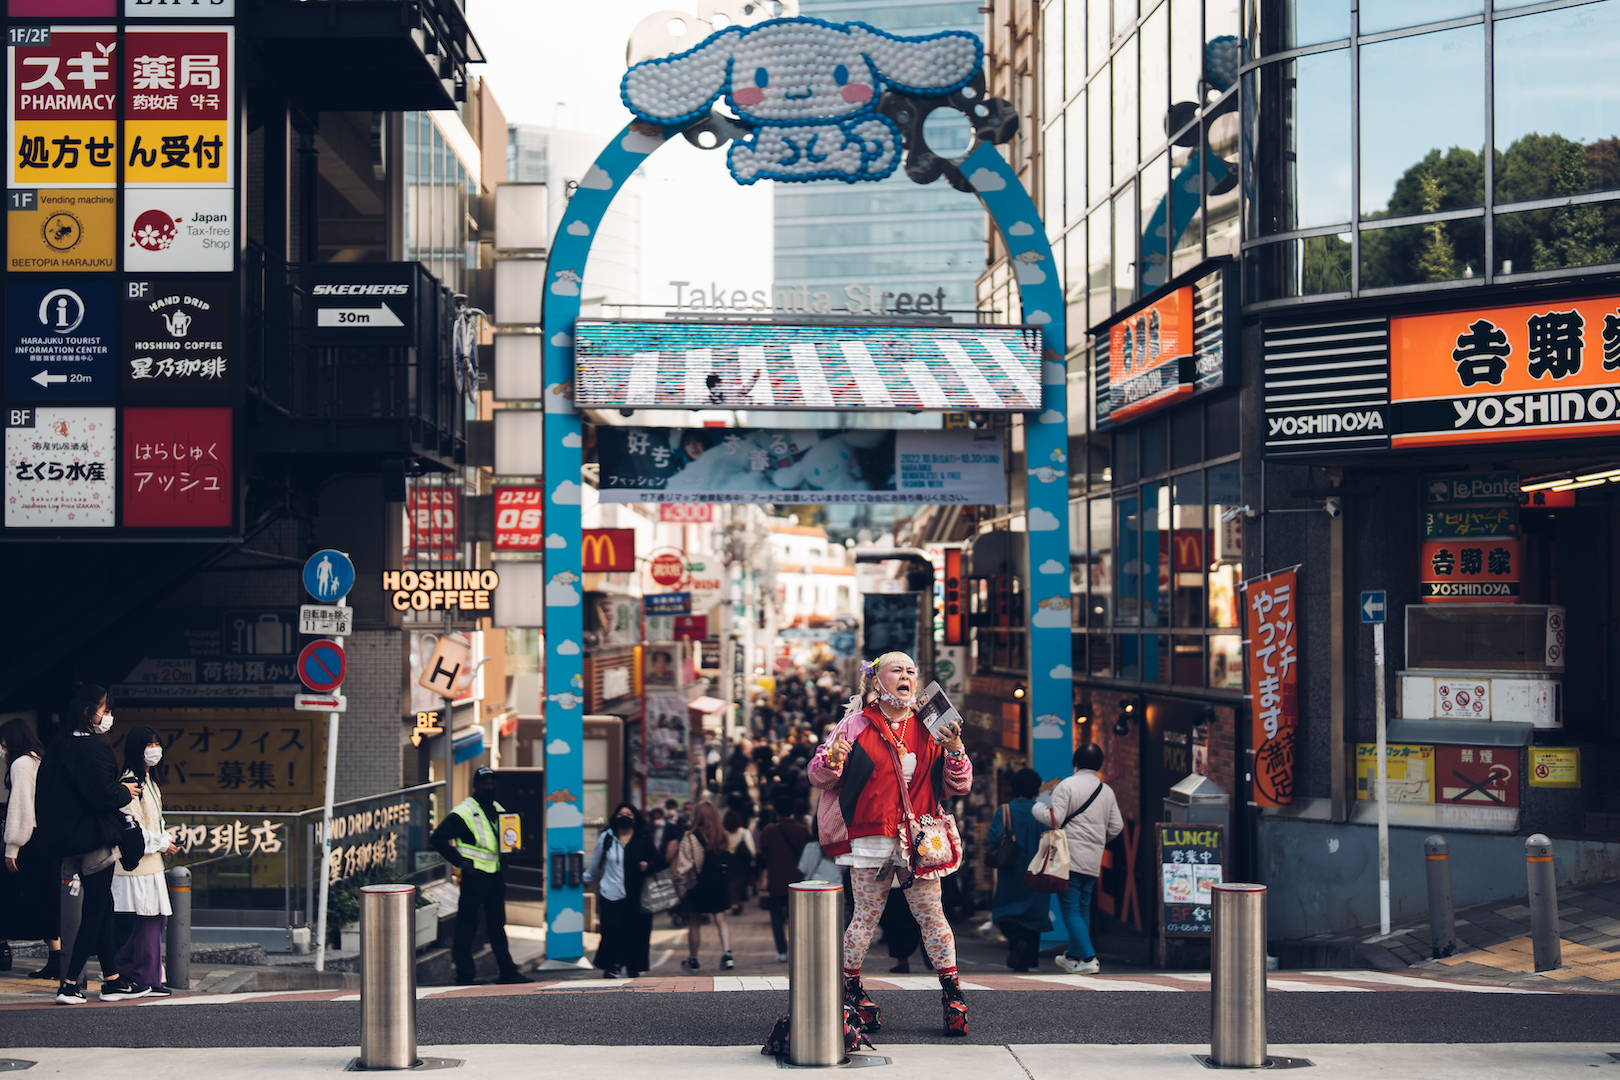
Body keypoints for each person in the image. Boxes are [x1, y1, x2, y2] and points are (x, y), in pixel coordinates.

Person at [808, 652, 973, 1037]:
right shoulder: (854, 724)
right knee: (865, 918)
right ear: (877, 680)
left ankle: (953, 996)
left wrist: (955, 751)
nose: (906, 676)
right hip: (870, 838)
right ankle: (851, 991)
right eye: (896, 670)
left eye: (912, 670)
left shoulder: (934, 725)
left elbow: (959, 785)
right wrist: (833, 759)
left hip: (920, 840)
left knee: (932, 918)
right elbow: (819, 775)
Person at [34, 685, 143, 1003]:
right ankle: (69, 983)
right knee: (95, 909)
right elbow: (103, 795)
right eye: (105, 709)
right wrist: (126, 791)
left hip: (67, 840)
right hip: (94, 838)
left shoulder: (58, 744)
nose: (108, 715)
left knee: (103, 906)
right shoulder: (94, 747)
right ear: (88, 712)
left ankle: (112, 979)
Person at [429, 767, 530, 985]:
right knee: (467, 926)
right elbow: (437, 838)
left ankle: (507, 972)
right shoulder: (464, 810)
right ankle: (465, 975)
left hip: (494, 875)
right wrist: (461, 863)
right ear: (476, 785)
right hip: (474, 876)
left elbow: (500, 839)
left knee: (497, 925)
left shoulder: (496, 807)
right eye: (485, 784)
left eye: (493, 783)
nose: (490, 787)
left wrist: (512, 848)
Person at [1034, 743, 1123, 975]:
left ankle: (1089, 957)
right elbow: (1117, 826)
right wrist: (1099, 840)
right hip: (1093, 858)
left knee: (1071, 909)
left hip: (1069, 857)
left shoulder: (1068, 786)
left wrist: (1037, 809)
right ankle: (1073, 955)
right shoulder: (1107, 791)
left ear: (1076, 762)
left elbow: (1055, 819)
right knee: (1082, 906)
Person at [111, 727, 177, 997]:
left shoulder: (149, 781)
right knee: (150, 920)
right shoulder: (131, 781)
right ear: (137, 749)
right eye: (148, 744)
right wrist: (163, 843)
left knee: (152, 920)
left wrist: (166, 840)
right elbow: (132, 828)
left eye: (157, 743)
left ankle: (132, 971)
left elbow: (154, 821)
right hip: (138, 865)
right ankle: (144, 977)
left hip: (150, 864)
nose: (154, 749)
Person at [2, 717, 60, 980]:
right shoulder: (40, 759)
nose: (2, 747)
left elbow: (21, 807)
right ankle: (56, 958)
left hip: (32, 840)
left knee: (23, 896)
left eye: (3, 741)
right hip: (48, 837)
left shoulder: (21, 764)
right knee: (49, 896)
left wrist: (12, 847)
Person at [585, 803, 660, 978]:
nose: (625, 817)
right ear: (615, 818)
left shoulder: (643, 837)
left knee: (636, 931)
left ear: (635, 818)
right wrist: (587, 879)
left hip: (638, 894)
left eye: (629, 814)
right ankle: (614, 965)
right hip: (611, 892)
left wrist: (648, 865)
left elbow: (657, 861)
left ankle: (634, 965)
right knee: (613, 929)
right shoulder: (607, 837)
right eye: (621, 814)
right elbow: (596, 862)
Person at [988, 767, 1051, 972]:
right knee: (1033, 912)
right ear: (1036, 789)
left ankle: (1017, 941)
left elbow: (995, 838)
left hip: (1011, 869)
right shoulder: (1043, 812)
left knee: (1005, 911)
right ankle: (1027, 959)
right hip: (1038, 869)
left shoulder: (1005, 810)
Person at [674, 801, 733, 971]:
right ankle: (727, 953)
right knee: (720, 920)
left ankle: (693, 959)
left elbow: (684, 865)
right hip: (719, 883)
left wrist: (681, 885)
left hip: (697, 885)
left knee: (694, 922)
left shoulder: (690, 837)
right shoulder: (722, 835)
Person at [757, 805, 810, 961]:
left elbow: (763, 853)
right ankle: (798, 950)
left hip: (776, 880)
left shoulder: (769, 830)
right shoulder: (802, 830)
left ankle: (782, 951)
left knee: (777, 918)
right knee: (797, 917)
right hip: (797, 880)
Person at [722, 809, 755, 915]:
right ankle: (737, 903)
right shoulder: (744, 832)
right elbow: (751, 849)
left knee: (731, 882)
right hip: (742, 861)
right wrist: (753, 859)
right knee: (741, 883)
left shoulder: (724, 832)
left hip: (728, 859)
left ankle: (734, 903)